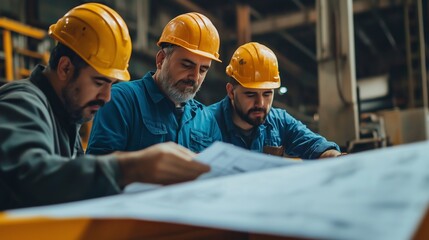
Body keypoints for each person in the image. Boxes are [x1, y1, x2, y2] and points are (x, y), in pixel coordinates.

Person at [0, 3, 209, 210]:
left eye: (111, 84)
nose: (107, 97)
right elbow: (28, 177)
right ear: (65, 68)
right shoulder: (23, 102)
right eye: (99, 82)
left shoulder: (65, 118)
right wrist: (129, 167)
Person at [86, 12, 222, 155]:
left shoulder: (206, 120)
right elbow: (100, 168)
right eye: (187, 65)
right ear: (161, 59)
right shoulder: (122, 100)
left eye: (203, 70)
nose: (195, 77)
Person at [209, 42, 341, 159]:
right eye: (250, 94)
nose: (260, 103)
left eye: (267, 94)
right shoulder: (207, 122)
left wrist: (337, 158)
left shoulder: (280, 122)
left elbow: (315, 146)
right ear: (231, 91)